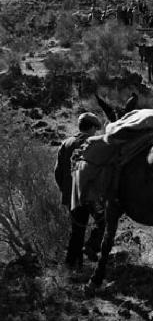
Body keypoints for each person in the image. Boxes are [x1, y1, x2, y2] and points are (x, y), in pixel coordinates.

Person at [54, 112, 104, 270]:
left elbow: (57, 171)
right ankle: (91, 246)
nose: (96, 132)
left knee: (77, 231)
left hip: (72, 196)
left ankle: (72, 266)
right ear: (91, 128)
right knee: (105, 221)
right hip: (91, 197)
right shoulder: (93, 143)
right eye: (95, 129)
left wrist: (66, 191)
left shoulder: (66, 143)